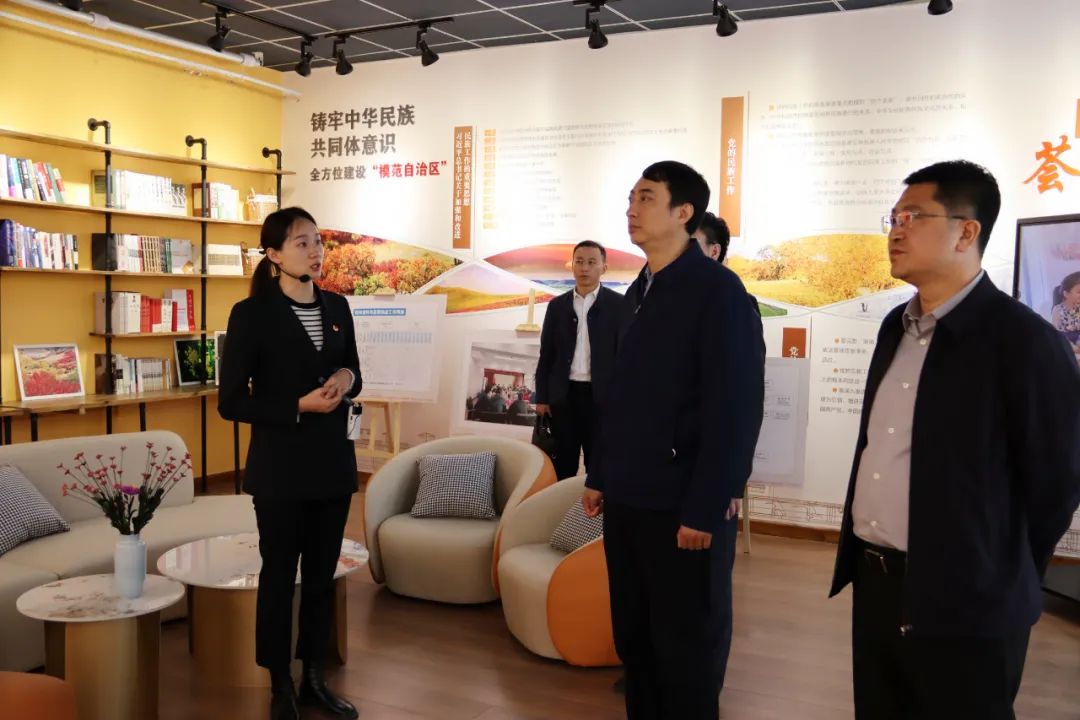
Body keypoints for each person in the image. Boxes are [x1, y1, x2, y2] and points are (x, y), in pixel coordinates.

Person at [829, 160, 1080, 720]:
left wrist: (998, 568)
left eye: (913, 217)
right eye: (893, 217)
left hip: (971, 600)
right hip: (878, 583)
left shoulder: (1026, 343)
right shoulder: (894, 327)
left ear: (967, 232)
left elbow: (1056, 486)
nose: (895, 231)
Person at [583, 161, 764, 719]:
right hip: (628, 497)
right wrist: (599, 474)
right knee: (635, 639)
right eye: (630, 197)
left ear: (684, 212)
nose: (631, 209)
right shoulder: (636, 291)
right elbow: (616, 397)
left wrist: (707, 506)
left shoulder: (717, 291)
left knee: (686, 648)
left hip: (684, 506)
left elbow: (735, 407)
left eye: (646, 198)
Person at [218, 207, 362, 720]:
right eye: (302, 243)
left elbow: (353, 371)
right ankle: (279, 682)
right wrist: (298, 406)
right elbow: (232, 402)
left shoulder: (338, 306)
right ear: (274, 255)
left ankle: (314, 677)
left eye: (318, 241)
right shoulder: (251, 314)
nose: (316, 250)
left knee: (323, 577)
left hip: (333, 465)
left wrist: (345, 379)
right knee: (279, 576)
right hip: (280, 469)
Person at [690, 210, 766, 695]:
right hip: (662, 476)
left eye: (691, 241)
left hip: (710, 473)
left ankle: (703, 686)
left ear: (714, 251)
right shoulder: (649, 296)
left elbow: (744, 401)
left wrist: (732, 480)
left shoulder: (736, 304)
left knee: (708, 591)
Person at [534, 240, 621, 479]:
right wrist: (542, 397)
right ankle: (562, 504)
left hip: (601, 397)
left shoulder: (618, 305)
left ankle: (593, 505)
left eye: (592, 262)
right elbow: (546, 355)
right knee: (563, 463)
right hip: (564, 396)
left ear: (604, 268)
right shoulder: (556, 306)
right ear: (571, 265)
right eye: (579, 262)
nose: (584, 268)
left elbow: (624, 357)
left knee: (599, 464)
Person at [1050, 270, 1080, 350]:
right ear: (1066, 294)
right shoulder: (1058, 310)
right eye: (1079, 292)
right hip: (1065, 339)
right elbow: (1055, 333)